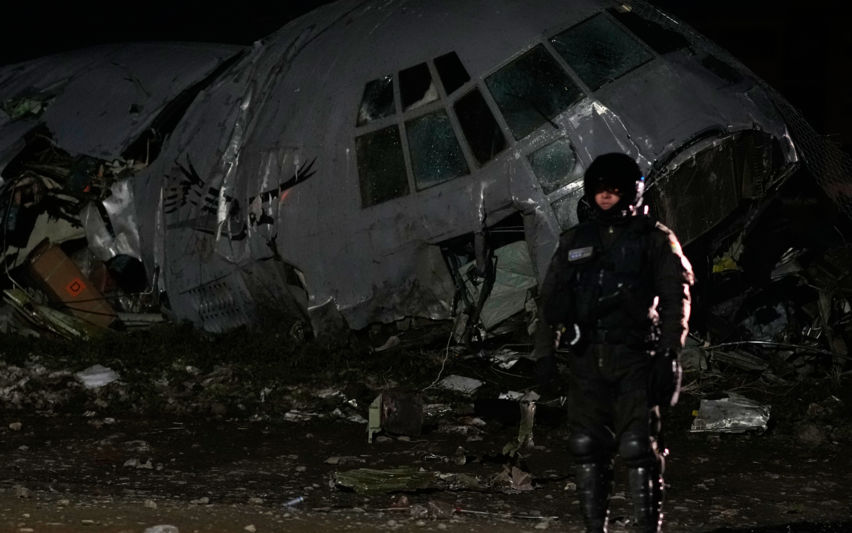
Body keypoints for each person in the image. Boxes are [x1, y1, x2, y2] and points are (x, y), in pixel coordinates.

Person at [537, 152, 693, 532]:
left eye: (614, 189)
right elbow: (551, 300)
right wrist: (544, 353)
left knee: (638, 446)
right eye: (599, 189)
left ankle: (646, 527)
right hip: (586, 357)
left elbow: (676, 298)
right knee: (586, 445)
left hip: (635, 355)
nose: (606, 196)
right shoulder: (575, 240)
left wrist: (669, 352)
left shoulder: (654, 239)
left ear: (630, 191)